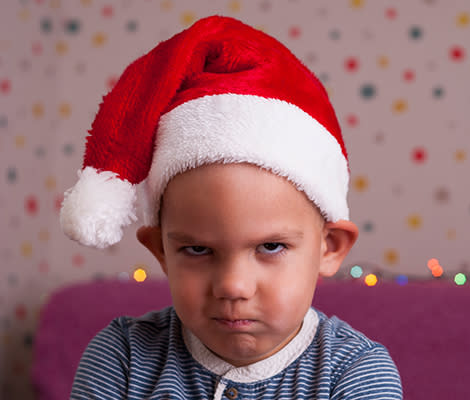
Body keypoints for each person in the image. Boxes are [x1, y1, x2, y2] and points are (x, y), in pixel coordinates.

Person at [61, 15, 403, 399]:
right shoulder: (120, 359)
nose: (232, 286)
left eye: (270, 247)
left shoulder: (355, 372)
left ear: (330, 246)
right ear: (160, 250)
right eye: (197, 249)